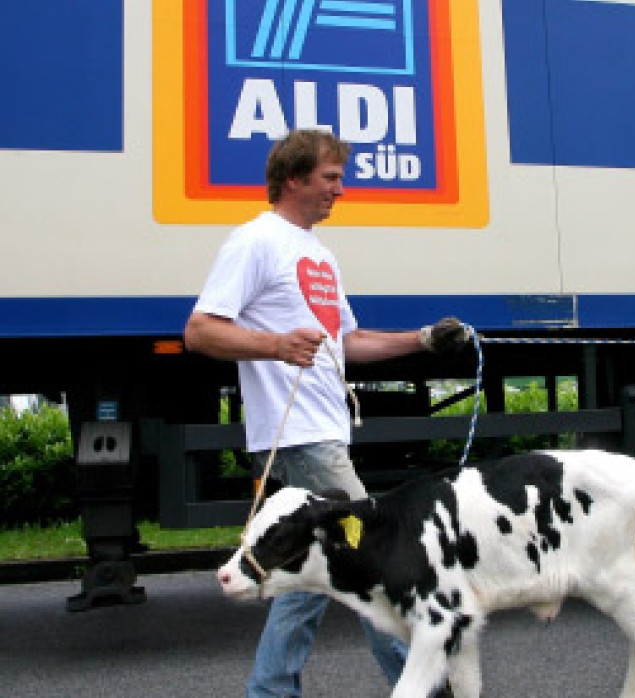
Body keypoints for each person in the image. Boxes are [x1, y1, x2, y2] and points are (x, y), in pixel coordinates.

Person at [184, 128, 470, 697]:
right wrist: (275, 345)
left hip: (323, 432)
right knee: (372, 565)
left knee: (310, 578)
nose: (340, 190)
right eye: (331, 178)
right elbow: (199, 331)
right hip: (298, 438)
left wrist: (421, 340)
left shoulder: (318, 255)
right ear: (293, 179)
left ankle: (269, 690)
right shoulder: (256, 241)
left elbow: (348, 342)